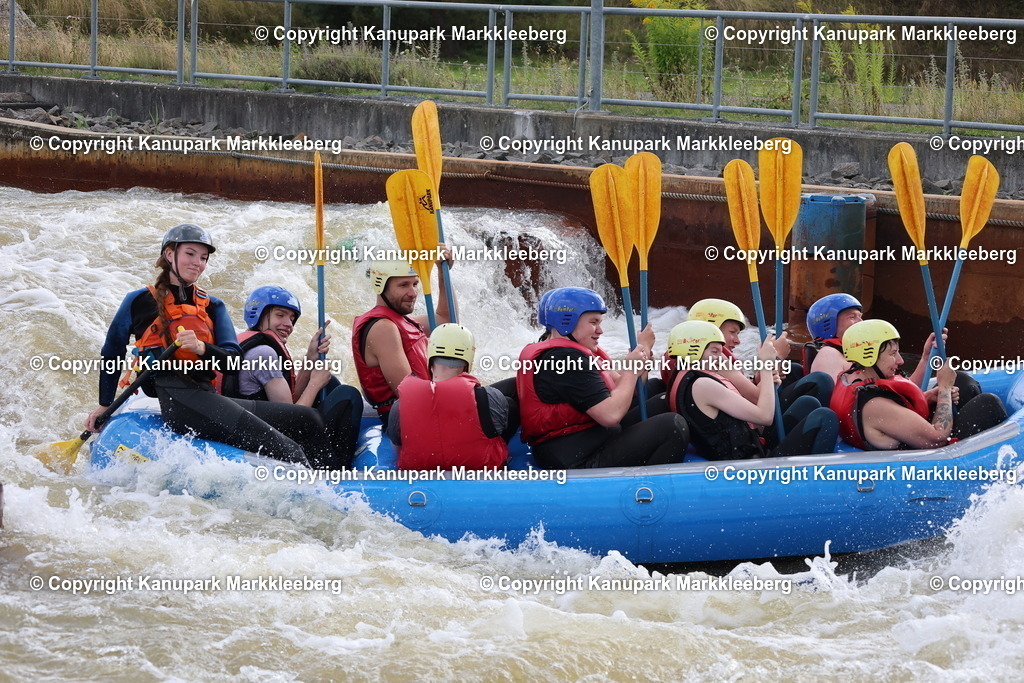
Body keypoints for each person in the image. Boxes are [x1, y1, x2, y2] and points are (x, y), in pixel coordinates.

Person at [85, 225, 321, 465]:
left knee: (309, 419)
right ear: (169, 254)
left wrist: (201, 348)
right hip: (180, 403)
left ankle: (342, 479)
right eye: (190, 253)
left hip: (206, 396)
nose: (198, 262)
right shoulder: (139, 301)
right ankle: (320, 491)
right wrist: (105, 404)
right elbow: (112, 353)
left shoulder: (213, 305)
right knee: (290, 451)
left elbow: (233, 363)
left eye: (204, 257)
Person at [516, 287, 689, 469]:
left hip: (589, 437)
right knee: (673, 427)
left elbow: (626, 386)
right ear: (566, 321)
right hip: (575, 457)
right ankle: (647, 491)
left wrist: (641, 351)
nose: (600, 330)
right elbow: (610, 415)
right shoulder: (564, 359)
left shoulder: (572, 350)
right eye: (593, 322)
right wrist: (631, 369)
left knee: (658, 391)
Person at [221, 285, 364, 468]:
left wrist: (310, 357)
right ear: (258, 315)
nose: (289, 324)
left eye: (291, 318)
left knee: (330, 384)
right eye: (280, 315)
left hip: (261, 426)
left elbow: (286, 402)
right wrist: (314, 384)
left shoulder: (250, 343)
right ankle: (336, 468)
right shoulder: (263, 353)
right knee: (348, 396)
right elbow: (293, 419)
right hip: (270, 440)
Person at [667, 320, 838, 460]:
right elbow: (764, 416)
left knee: (806, 403)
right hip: (749, 464)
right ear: (692, 351)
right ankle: (818, 483)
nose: (722, 358)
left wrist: (770, 383)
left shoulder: (682, 374)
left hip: (749, 443)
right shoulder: (703, 385)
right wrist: (766, 365)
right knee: (825, 417)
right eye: (715, 352)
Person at [830, 320, 1006, 450]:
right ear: (868, 356)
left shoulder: (851, 376)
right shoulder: (874, 406)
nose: (900, 360)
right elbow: (936, 439)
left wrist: (928, 393)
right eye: (893, 353)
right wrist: (944, 389)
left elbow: (897, 400)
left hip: (902, 432)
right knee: (988, 404)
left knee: (963, 381)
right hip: (931, 455)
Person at [387, 323, 509, 469]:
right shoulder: (489, 398)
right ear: (467, 362)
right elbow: (500, 430)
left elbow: (398, 447)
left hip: (421, 478)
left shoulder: (400, 406)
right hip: (479, 475)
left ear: (430, 359)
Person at [352, 257, 454, 427]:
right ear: (380, 286)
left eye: (415, 284)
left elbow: (446, 320)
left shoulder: (400, 321)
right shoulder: (383, 328)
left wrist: (444, 274)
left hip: (422, 409)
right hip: (408, 420)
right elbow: (410, 393)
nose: (413, 292)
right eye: (403, 285)